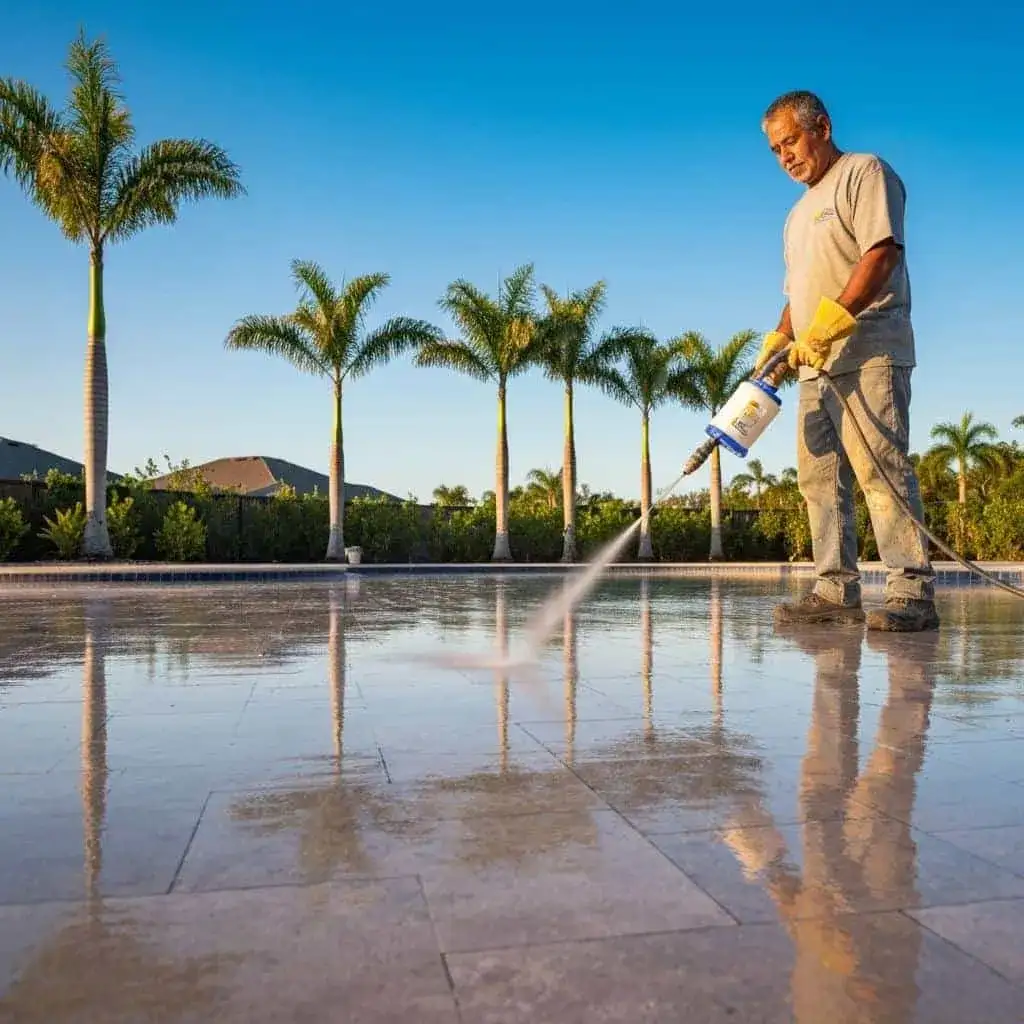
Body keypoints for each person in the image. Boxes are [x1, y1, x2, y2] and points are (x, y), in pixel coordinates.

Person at [754, 90, 938, 632]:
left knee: (880, 470)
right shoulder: (795, 215)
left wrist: (834, 322)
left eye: (790, 140)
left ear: (823, 127)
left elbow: (881, 252)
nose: (784, 155)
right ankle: (835, 589)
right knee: (819, 480)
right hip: (812, 364)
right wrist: (779, 341)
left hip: (869, 352)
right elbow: (799, 293)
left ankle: (912, 593)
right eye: (774, 149)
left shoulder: (864, 173)